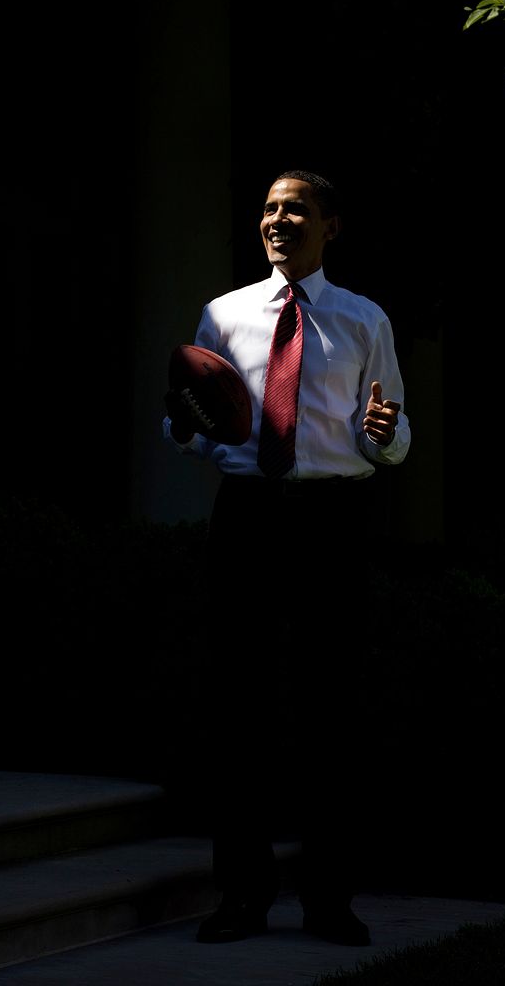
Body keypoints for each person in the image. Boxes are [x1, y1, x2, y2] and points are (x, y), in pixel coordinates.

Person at [163, 169, 411, 947]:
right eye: (269, 208)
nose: (277, 220)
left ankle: (328, 901)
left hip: (330, 521)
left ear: (328, 226)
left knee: (330, 712)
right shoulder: (222, 315)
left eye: (294, 209)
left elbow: (395, 440)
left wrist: (381, 432)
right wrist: (184, 419)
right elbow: (189, 431)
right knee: (239, 710)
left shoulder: (364, 319)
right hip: (247, 519)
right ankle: (241, 896)